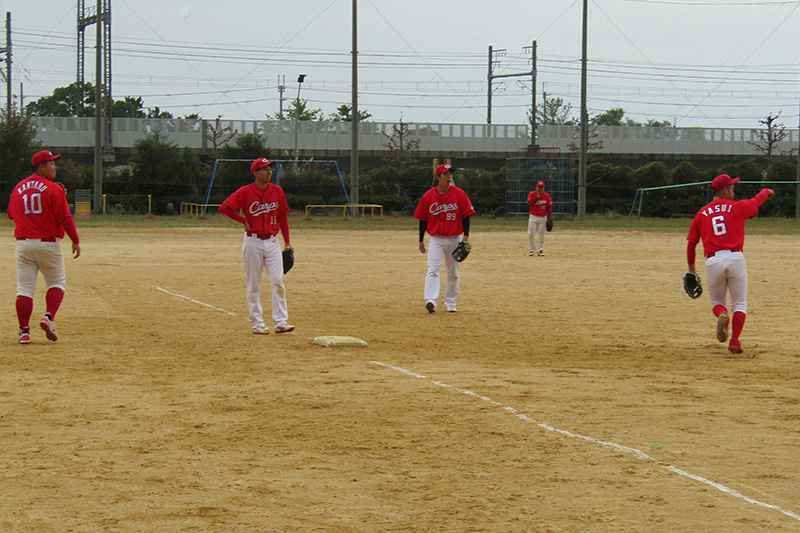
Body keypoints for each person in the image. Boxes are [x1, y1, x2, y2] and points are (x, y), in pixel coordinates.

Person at [686, 174, 775, 354]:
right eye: (732, 188)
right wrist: (766, 191)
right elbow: (756, 201)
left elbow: (691, 243)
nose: (733, 192)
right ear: (725, 190)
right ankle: (734, 342)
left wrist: (691, 270)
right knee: (740, 305)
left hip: (713, 260)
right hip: (735, 259)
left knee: (718, 302)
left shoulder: (701, 213)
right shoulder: (738, 207)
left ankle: (721, 315)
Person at [8, 150, 81, 344]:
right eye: (51, 163)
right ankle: (48, 317)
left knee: (24, 289)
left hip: (23, 244)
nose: (55, 167)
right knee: (57, 282)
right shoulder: (53, 188)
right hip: (48, 244)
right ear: (41, 167)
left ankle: (24, 332)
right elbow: (65, 218)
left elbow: (11, 215)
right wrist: (75, 240)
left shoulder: (18, 187)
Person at [219, 158, 294, 334]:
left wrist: (287, 241)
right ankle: (257, 324)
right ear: (255, 173)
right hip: (253, 242)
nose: (269, 172)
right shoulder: (245, 192)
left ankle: (280, 322)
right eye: (265, 169)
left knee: (278, 281)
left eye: (270, 169)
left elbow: (282, 216)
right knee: (254, 285)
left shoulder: (277, 191)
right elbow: (225, 208)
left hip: (273, 242)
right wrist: (243, 220)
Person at [414, 163, 475, 313]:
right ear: (438, 177)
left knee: (453, 272)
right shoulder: (428, 196)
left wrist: (465, 237)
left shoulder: (459, 194)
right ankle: (431, 300)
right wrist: (421, 240)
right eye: (446, 174)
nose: (449, 177)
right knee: (433, 269)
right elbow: (423, 219)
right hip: (436, 239)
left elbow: (466, 215)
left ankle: (450, 302)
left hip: (454, 238)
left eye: (450, 174)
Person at [527, 180, 552, 256]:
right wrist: (536, 198)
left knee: (541, 234)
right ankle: (532, 249)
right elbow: (529, 203)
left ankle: (540, 250)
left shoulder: (546, 196)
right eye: (539, 187)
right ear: (536, 187)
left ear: (544, 188)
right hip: (533, 216)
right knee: (531, 233)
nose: (540, 189)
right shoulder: (532, 194)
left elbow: (549, 207)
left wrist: (549, 218)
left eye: (541, 187)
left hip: (542, 217)